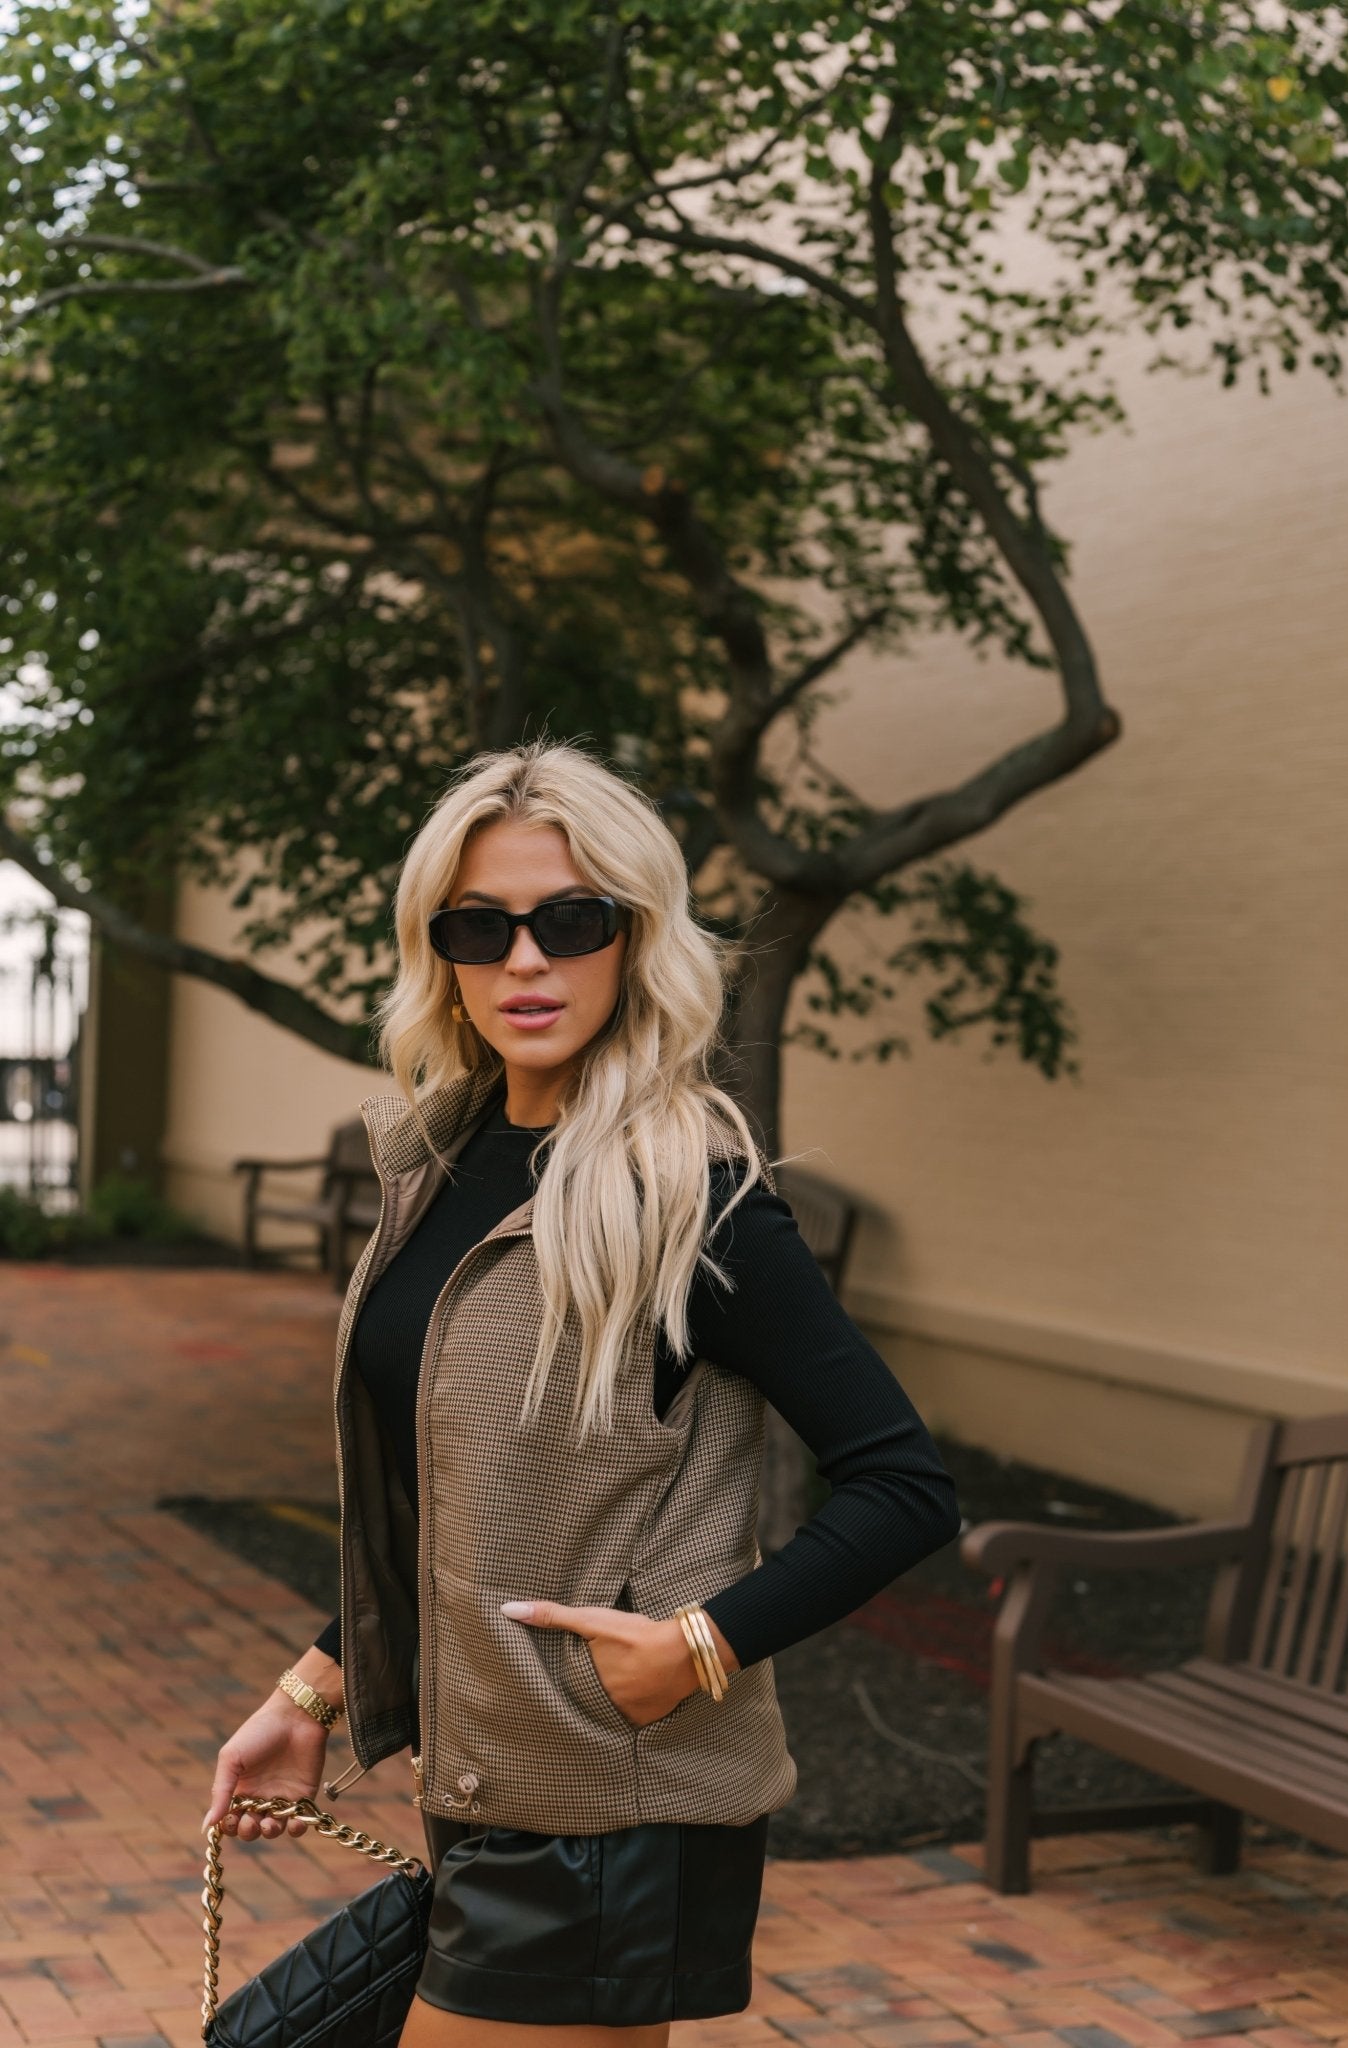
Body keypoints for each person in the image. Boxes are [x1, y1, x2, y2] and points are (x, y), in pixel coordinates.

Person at [202, 739, 960, 2043]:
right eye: (480, 926)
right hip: (487, 1788)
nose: (525, 961)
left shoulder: (689, 1196)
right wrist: (311, 1690)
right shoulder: (440, 1166)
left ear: (635, 937)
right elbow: (461, 1501)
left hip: (612, 1814)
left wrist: (695, 1648)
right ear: (439, 950)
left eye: (569, 921)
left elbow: (904, 1486)